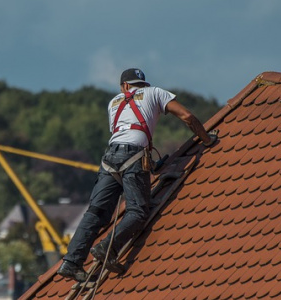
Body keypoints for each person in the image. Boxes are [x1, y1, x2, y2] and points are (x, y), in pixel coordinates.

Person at [56, 68, 216, 282]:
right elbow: (187, 116)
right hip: (134, 156)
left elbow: (123, 131)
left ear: (124, 86)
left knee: (96, 212)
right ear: (141, 84)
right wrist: (207, 140)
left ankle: (71, 262)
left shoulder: (113, 103)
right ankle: (107, 248)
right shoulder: (155, 92)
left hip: (110, 158)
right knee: (138, 211)